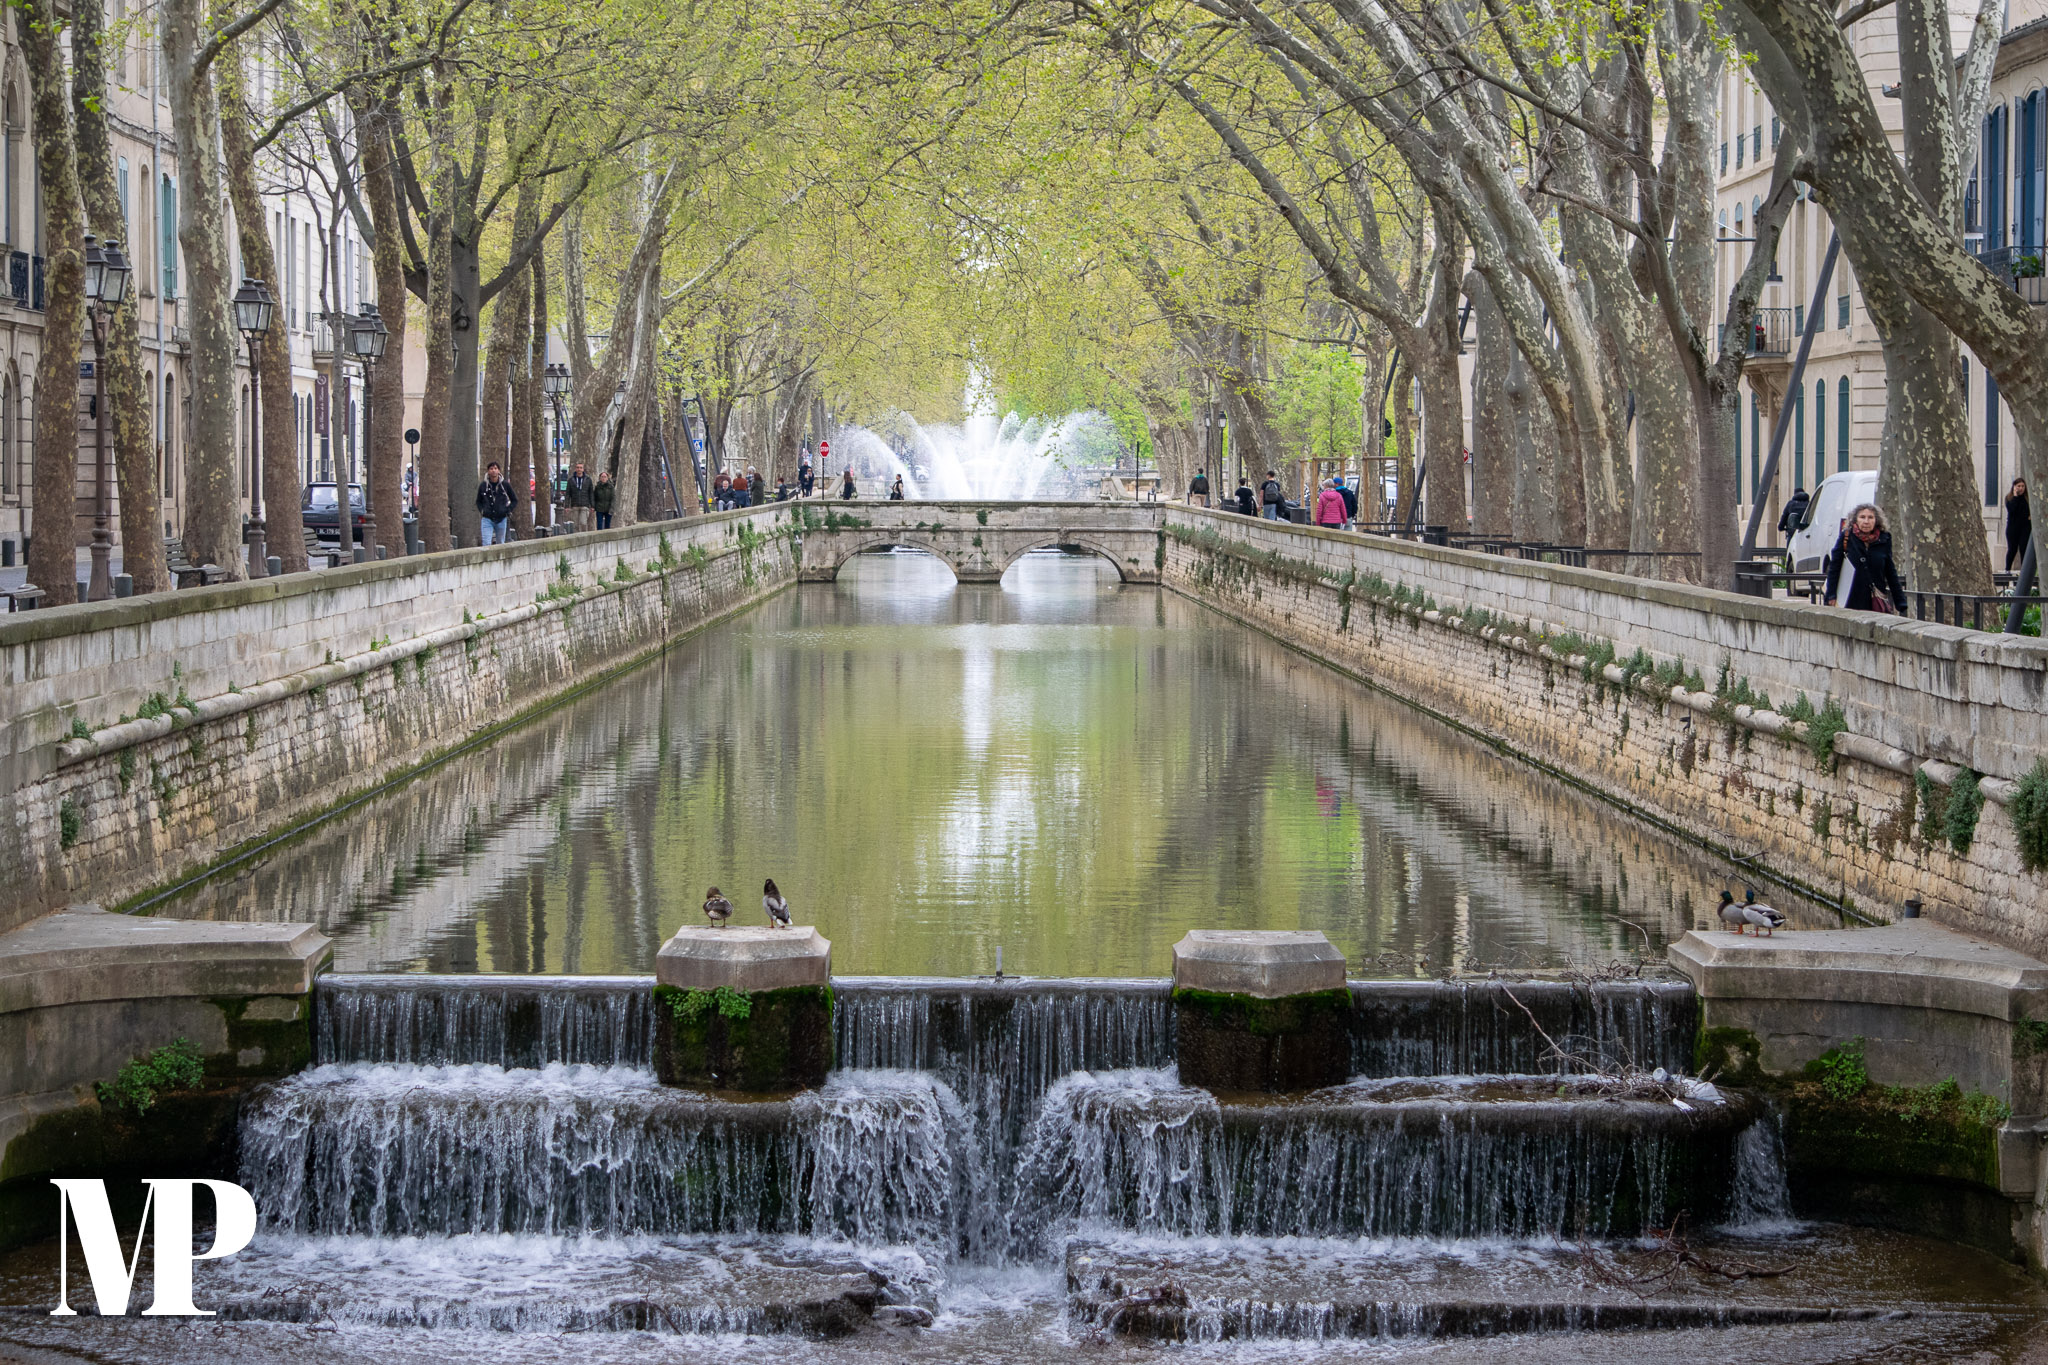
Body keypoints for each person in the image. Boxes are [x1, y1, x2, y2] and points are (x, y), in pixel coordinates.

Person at [1822, 503, 1906, 613]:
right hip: (1850, 598)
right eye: (1862, 517)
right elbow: (1834, 567)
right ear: (1855, 520)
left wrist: (1900, 601)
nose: (1866, 521)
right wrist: (1831, 595)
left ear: (1876, 520)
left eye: (1870, 517)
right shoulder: (1846, 536)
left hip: (1875, 599)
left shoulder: (1884, 539)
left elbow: (1890, 571)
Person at [476, 462, 515, 545]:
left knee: (500, 543)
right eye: (491, 469)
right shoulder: (483, 485)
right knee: (486, 543)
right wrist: (482, 511)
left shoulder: (505, 485)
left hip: (501, 519)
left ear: (499, 471)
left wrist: (507, 510)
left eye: (495, 468)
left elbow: (514, 500)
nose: (493, 471)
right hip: (487, 519)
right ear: (488, 471)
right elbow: (478, 501)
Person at [2007, 478, 2033, 573]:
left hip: (2025, 527)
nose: (2021, 488)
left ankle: (2024, 572)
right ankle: (2007, 570)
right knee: (2012, 549)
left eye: (2022, 486)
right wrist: (2015, 496)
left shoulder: (2027, 498)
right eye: (2019, 486)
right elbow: (2012, 510)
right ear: (2014, 487)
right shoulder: (2009, 498)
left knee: (2024, 549)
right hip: (2013, 528)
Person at [564, 462, 595, 532]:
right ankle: (576, 539)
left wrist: (592, 506)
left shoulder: (588, 480)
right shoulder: (571, 480)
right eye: (577, 468)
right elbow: (568, 494)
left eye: (581, 468)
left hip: (585, 505)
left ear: (583, 469)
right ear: (575, 469)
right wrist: (566, 506)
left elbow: (591, 493)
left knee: (583, 523)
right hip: (574, 505)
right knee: (575, 525)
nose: (579, 469)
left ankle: (584, 538)